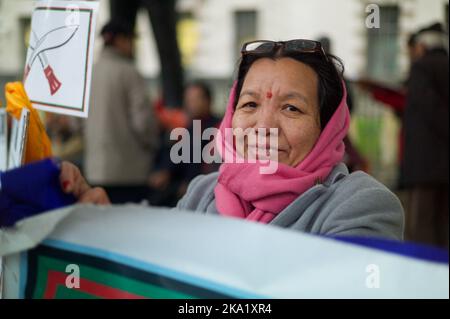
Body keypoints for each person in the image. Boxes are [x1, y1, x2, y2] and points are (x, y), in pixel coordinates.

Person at [62, 39, 403, 239]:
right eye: (250, 104)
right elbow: (162, 270)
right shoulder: (203, 193)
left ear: (328, 128)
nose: (263, 125)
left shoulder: (361, 205)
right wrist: (101, 228)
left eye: (291, 108)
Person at [84, 20, 159, 204]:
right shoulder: (130, 73)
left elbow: (76, 122)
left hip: (94, 170)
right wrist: (152, 144)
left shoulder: (88, 74)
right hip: (129, 172)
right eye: (130, 40)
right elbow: (142, 123)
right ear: (121, 41)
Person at [400, 23, 449, 248]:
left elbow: (426, 108)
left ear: (422, 46)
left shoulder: (421, 68)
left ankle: (424, 276)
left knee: (422, 224)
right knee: (443, 224)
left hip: (425, 164)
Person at [148, 82, 220, 206]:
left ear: (208, 101)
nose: (190, 104)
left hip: (202, 187)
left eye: (195, 99)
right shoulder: (187, 127)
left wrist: (189, 182)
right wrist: (165, 170)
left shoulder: (217, 128)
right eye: (188, 100)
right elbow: (176, 154)